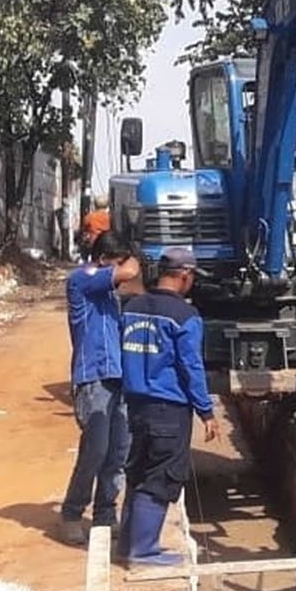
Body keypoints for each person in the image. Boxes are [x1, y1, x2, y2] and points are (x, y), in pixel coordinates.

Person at [118, 246, 220, 565]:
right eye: (192, 277)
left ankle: (127, 544)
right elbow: (191, 366)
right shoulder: (186, 317)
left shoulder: (132, 306)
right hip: (169, 409)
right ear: (185, 276)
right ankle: (143, 550)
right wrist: (206, 411)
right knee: (161, 476)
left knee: (137, 471)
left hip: (135, 406)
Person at [61, 231, 140, 545]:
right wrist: (137, 252)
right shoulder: (83, 278)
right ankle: (72, 512)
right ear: (105, 260)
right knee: (95, 450)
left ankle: (106, 514)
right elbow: (132, 271)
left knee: (117, 451)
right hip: (92, 378)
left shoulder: (108, 294)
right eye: (116, 264)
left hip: (116, 377)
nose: (121, 272)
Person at [80, 194, 112, 258]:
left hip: (94, 242)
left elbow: (83, 229)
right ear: (107, 205)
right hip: (108, 243)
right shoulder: (110, 217)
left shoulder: (90, 217)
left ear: (95, 204)